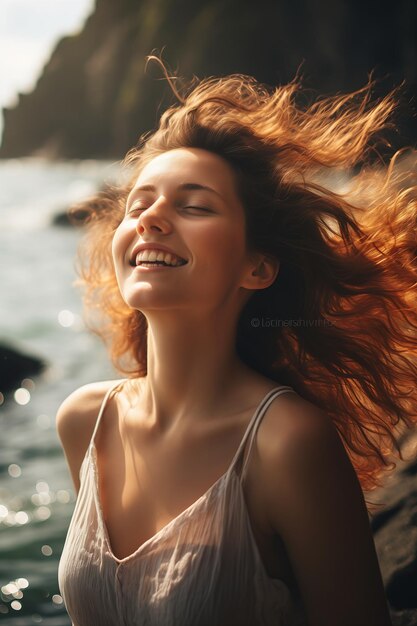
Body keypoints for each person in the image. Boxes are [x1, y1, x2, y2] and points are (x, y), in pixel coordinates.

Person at [56, 56, 417, 626]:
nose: (150, 218)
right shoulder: (84, 421)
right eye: (138, 203)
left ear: (257, 268)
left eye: (194, 205)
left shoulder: (286, 443)